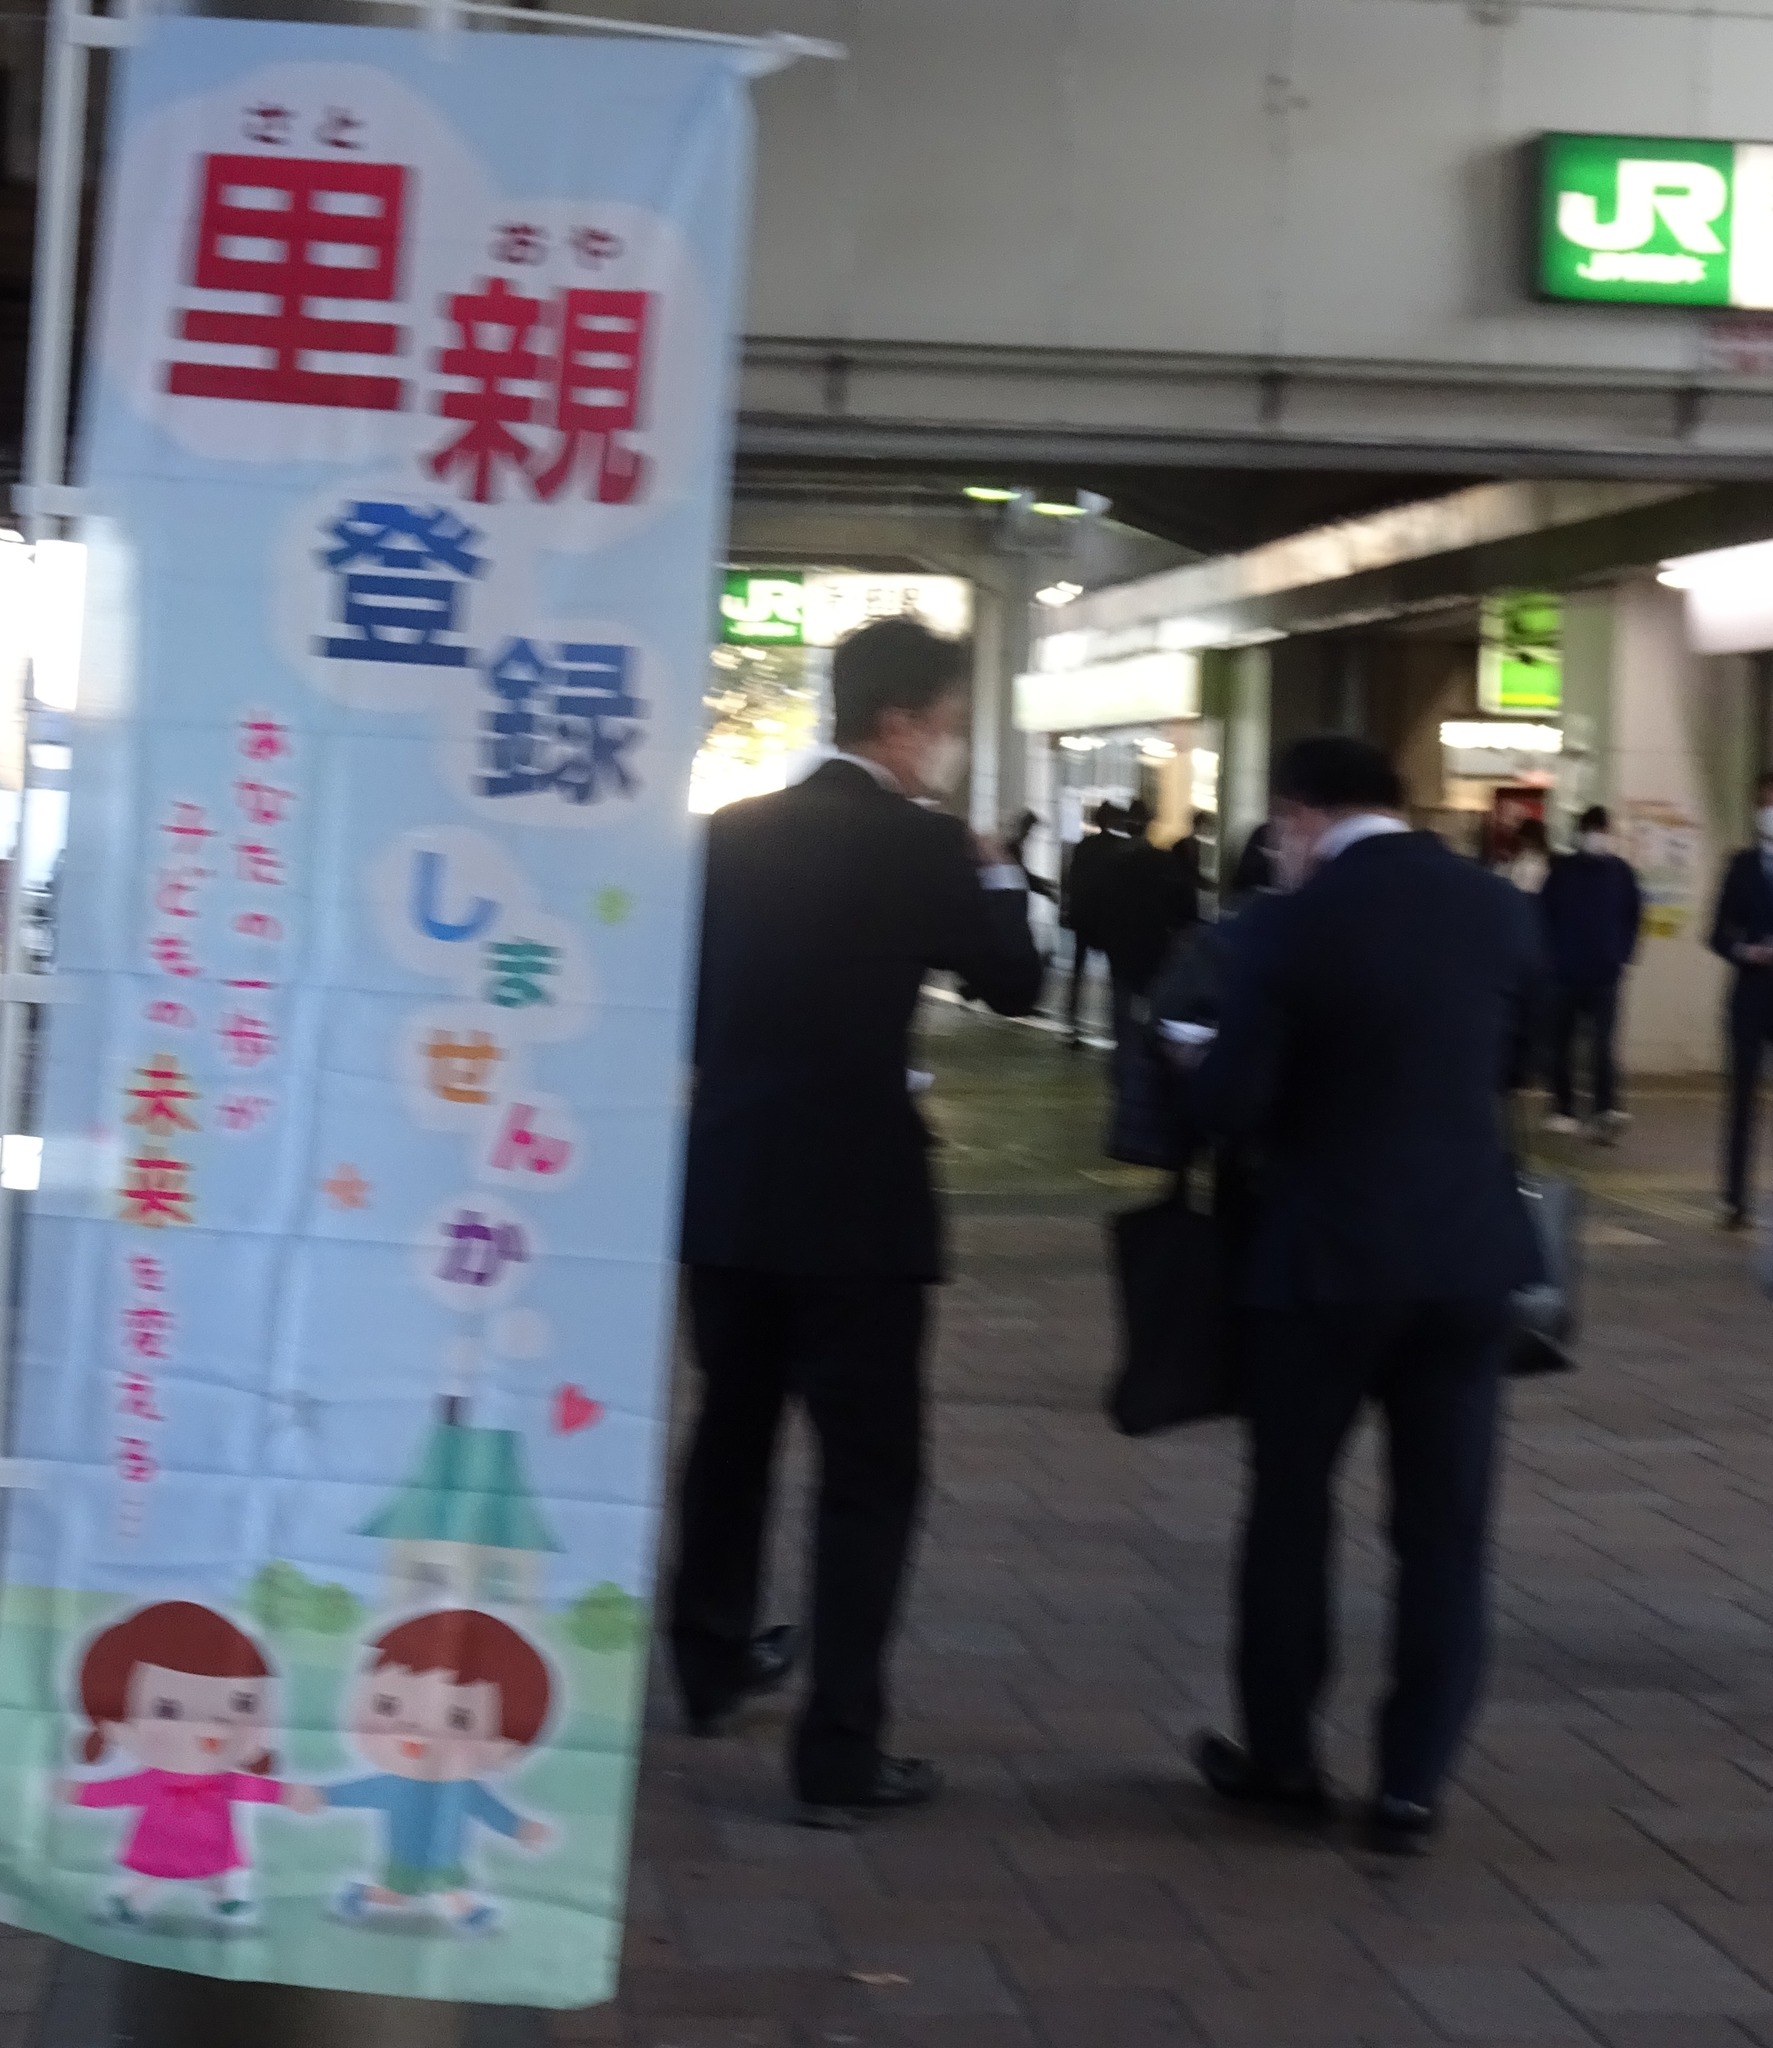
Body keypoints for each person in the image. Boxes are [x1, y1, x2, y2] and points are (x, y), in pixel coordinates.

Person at [672, 617, 1043, 1827]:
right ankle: (838, 1749)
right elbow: (1014, 984)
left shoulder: (726, 835)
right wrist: (996, 869)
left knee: (731, 1433)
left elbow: (684, 996)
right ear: (899, 723)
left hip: (730, 1185)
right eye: (944, 727)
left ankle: (710, 1661)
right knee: (867, 1477)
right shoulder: (922, 843)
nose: (945, 748)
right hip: (861, 1204)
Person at [1187, 736, 1543, 1855]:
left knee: (1291, 1507)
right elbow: (1520, 1059)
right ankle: (1411, 1785)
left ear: (1299, 814)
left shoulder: (1289, 923)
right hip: (1468, 1259)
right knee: (1445, 1531)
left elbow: (1233, 1102)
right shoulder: (1495, 907)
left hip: (1324, 1261)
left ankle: (1285, 1761)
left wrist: (1195, 1066)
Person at [1539, 805, 1642, 1142]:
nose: (1597, 837)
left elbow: (1633, 916)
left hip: (1604, 974)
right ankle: (1564, 1108)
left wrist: (1622, 955)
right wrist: (1550, 958)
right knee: (1561, 1045)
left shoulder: (1621, 873)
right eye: (1592, 830)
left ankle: (1604, 1107)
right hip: (1564, 975)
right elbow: (1544, 915)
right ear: (1581, 833)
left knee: (1603, 1046)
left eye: (1602, 830)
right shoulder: (1563, 872)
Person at [1083, 797, 1198, 1082]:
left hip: (1121, 946)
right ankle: (1146, 1064)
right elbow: (1184, 907)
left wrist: (1099, 935)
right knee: (1151, 1006)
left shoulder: (1114, 863)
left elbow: (1098, 902)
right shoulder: (1162, 863)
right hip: (1154, 945)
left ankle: (1125, 1064)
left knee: (1122, 1009)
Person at [1709, 772, 1773, 1228]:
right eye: (1764, 805)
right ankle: (1734, 1200)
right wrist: (1744, 951)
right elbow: (1716, 932)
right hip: (1748, 997)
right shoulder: (1740, 866)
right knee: (1742, 1102)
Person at [1059, 803, 1121, 1047]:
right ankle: (1114, 1024)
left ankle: (1072, 1020)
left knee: (1078, 969)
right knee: (1114, 974)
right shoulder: (1117, 848)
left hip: (1084, 914)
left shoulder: (1084, 846)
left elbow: (1072, 879)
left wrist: (1069, 907)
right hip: (1106, 917)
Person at [1006, 808, 1059, 903]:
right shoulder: (1013, 847)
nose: (1030, 834)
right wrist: (1047, 891)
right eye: (1030, 829)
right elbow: (1023, 877)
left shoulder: (1016, 846)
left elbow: (1024, 875)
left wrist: (1047, 884)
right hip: (1012, 899)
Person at [1504, 816, 1551, 895]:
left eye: (1522, 839)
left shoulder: (1535, 862)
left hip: (1522, 896)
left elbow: (1522, 886)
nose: (1521, 843)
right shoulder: (1532, 856)